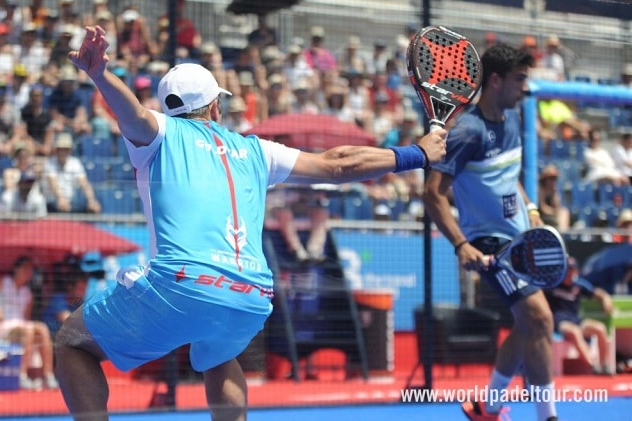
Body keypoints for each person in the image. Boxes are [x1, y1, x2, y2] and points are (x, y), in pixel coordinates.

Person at [54, 25, 446, 421]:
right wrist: (416, 153)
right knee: (218, 355)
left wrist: (100, 75)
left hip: (182, 286)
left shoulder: (160, 132)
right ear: (214, 108)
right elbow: (338, 163)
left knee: (72, 343)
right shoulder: (256, 149)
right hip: (253, 295)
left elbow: (134, 115)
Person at [421, 45, 558, 421]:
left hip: (521, 240)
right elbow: (432, 194)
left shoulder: (511, 120)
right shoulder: (467, 132)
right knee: (541, 320)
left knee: (527, 323)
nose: (524, 89)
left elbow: (509, 175)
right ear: (495, 80)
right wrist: (461, 244)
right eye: (519, 80)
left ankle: (488, 408)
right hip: (488, 244)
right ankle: (549, 416)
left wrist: (532, 210)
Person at [0, 256, 58, 390]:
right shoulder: (3, 282)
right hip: (2, 328)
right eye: (25, 268)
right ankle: (21, 376)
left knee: (42, 329)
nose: (28, 272)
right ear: (16, 269)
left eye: (31, 269)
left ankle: (48, 376)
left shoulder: (28, 293)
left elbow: (26, 318)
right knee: (29, 330)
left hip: (22, 328)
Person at [545, 257, 614, 375]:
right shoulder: (552, 285)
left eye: (572, 269)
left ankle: (605, 365)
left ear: (576, 271)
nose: (569, 273)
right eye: (566, 270)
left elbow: (597, 293)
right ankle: (593, 366)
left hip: (576, 320)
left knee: (600, 328)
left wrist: (605, 298)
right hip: (560, 323)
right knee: (575, 331)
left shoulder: (579, 285)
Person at [537, 164, 570, 231]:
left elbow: (557, 206)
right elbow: (543, 208)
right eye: (550, 178)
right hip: (541, 216)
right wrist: (554, 212)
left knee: (564, 212)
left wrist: (554, 194)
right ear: (545, 179)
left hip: (551, 215)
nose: (553, 181)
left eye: (554, 179)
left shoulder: (554, 190)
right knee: (562, 214)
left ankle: (563, 235)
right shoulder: (541, 190)